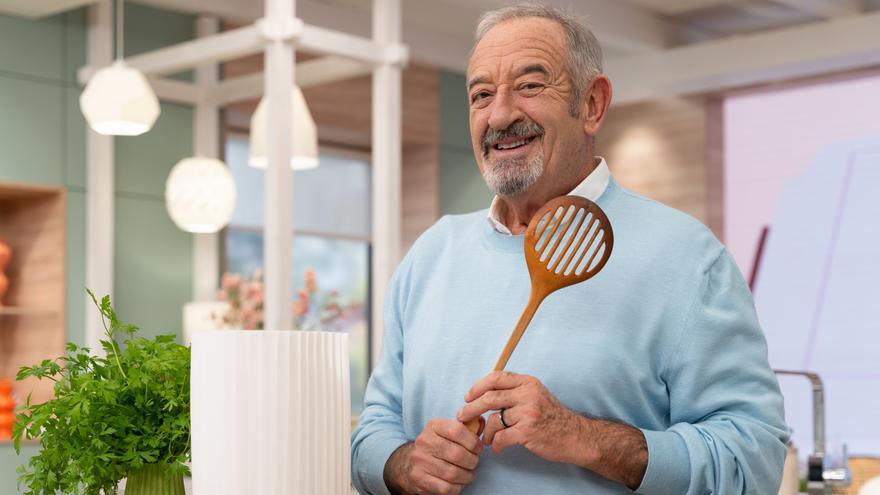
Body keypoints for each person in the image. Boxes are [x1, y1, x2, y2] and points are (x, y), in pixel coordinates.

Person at [351, 4, 789, 495]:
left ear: (593, 104)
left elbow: (754, 461)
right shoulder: (431, 255)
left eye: (530, 86)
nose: (500, 114)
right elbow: (373, 429)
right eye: (481, 94)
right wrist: (403, 463)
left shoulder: (687, 259)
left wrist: (583, 437)